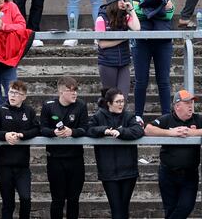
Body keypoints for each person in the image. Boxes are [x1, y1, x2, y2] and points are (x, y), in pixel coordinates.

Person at [0, 80, 39, 219]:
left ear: (24, 96)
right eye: (11, 92)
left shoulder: (29, 111)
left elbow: (37, 129)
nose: (12, 96)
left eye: (17, 93)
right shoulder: (0, 110)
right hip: (4, 165)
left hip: (22, 165)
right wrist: (5, 135)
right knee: (8, 203)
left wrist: (23, 135)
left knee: (26, 198)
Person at [144, 89, 202, 219]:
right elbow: (148, 129)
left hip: (189, 175)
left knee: (186, 207)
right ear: (177, 106)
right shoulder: (167, 119)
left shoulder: (197, 119)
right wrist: (171, 133)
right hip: (168, 174)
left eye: (192, 103)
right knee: (170, 209)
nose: (191, 106)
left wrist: (194, 133)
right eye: (187, 103)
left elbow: (196, 131)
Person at [87, 87, 144, 219]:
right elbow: (88, 129)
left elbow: (138, 130)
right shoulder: (99, 116)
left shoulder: (128, 116)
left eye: (122, 101)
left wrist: (121, 132)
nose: (121, 104)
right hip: (108, 172)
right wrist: (105, 130)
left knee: (124, 209)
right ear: (109, 103)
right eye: (118, 102)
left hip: (128, 171)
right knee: (117, 210)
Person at [38, 76, 89, 219]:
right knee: (58, 199)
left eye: (75, 90)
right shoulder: (48, 106)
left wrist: (72, 132)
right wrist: (53, 132)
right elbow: (42, 128)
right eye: (70, 90)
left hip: (75, 158)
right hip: (55, 159)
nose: (74, 93)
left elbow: (85, 128)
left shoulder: (81, 105)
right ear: (61, 92)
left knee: (73, 199)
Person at [131, 0, 174, 117]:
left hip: (163, 42)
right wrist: (160, 7)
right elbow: (137, 13)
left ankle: (166, 116)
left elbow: (169, 15)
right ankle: (138, 117)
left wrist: (148, 8)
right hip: (142, 41)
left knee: (163, 81)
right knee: (141, 81)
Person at [96, 0, 140, 100]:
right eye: (120, 0)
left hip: (124, 63)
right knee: (110, 99)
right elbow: (102, 44)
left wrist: (131, 11)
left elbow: (136, 29)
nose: (123, 2)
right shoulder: (101, 18)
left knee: (122, 98)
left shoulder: (125, 16)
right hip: (107, 63)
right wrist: (123, 38)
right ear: (113, 1)